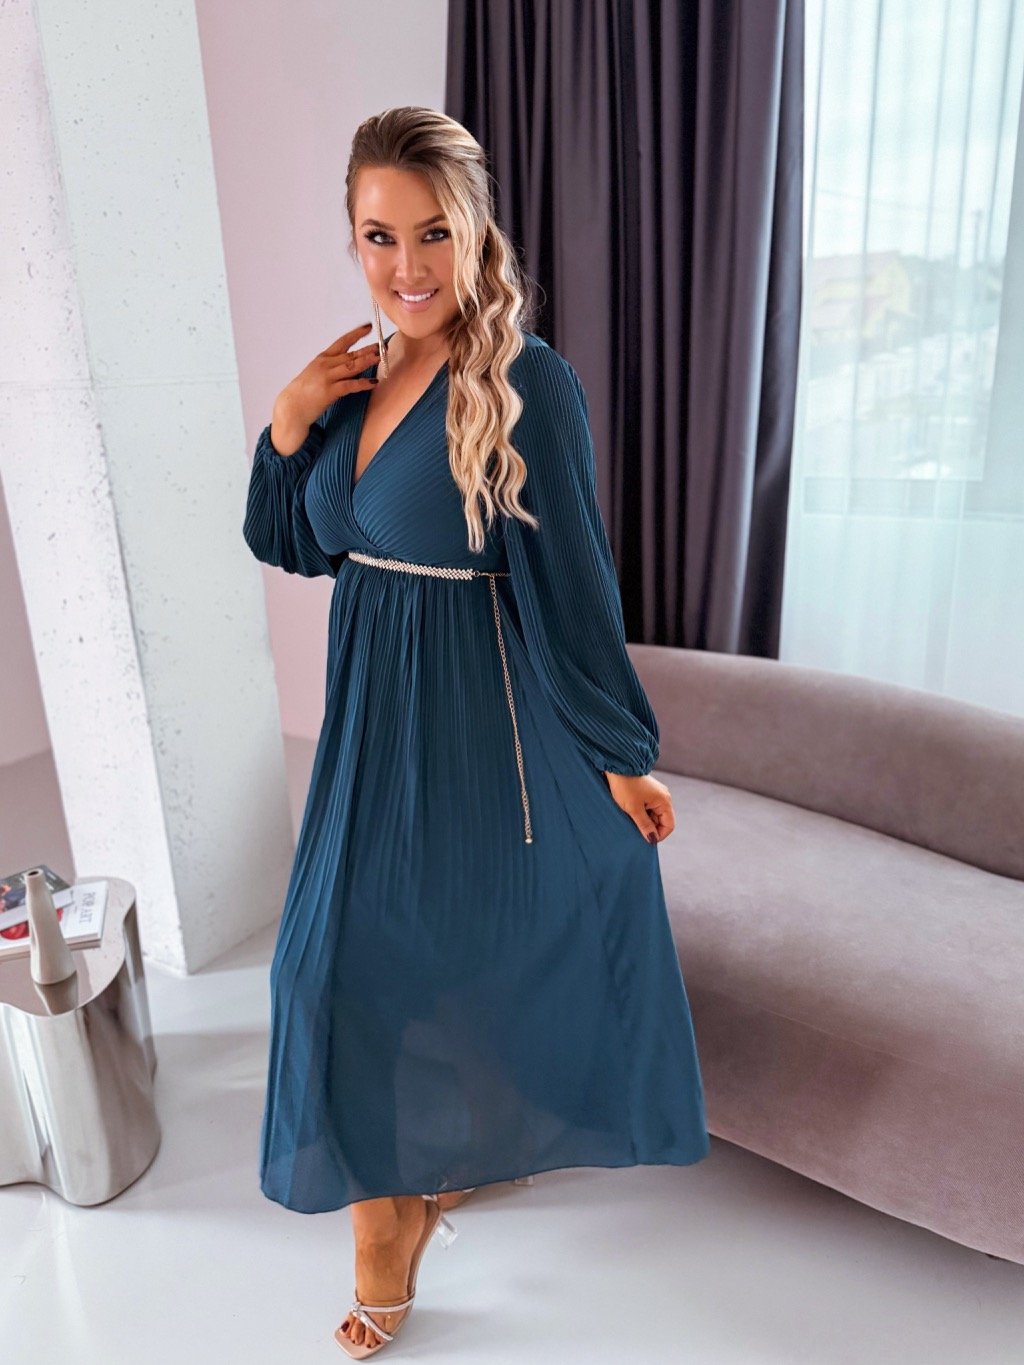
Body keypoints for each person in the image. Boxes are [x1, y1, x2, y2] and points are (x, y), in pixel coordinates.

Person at [243, 105, 710, 1357]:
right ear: (352, 238)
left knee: (430, 953)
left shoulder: (524, 383)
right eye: (379, 236)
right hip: (369, 707)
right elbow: (294, 542)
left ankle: (387, 1233)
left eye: (433, 233)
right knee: (323, 970)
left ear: (474, 230)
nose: (407, 266)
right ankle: (407, 1192)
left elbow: (576, 584)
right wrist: (287, 419)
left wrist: (618, 755)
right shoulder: (355, 373)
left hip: (474, 705)